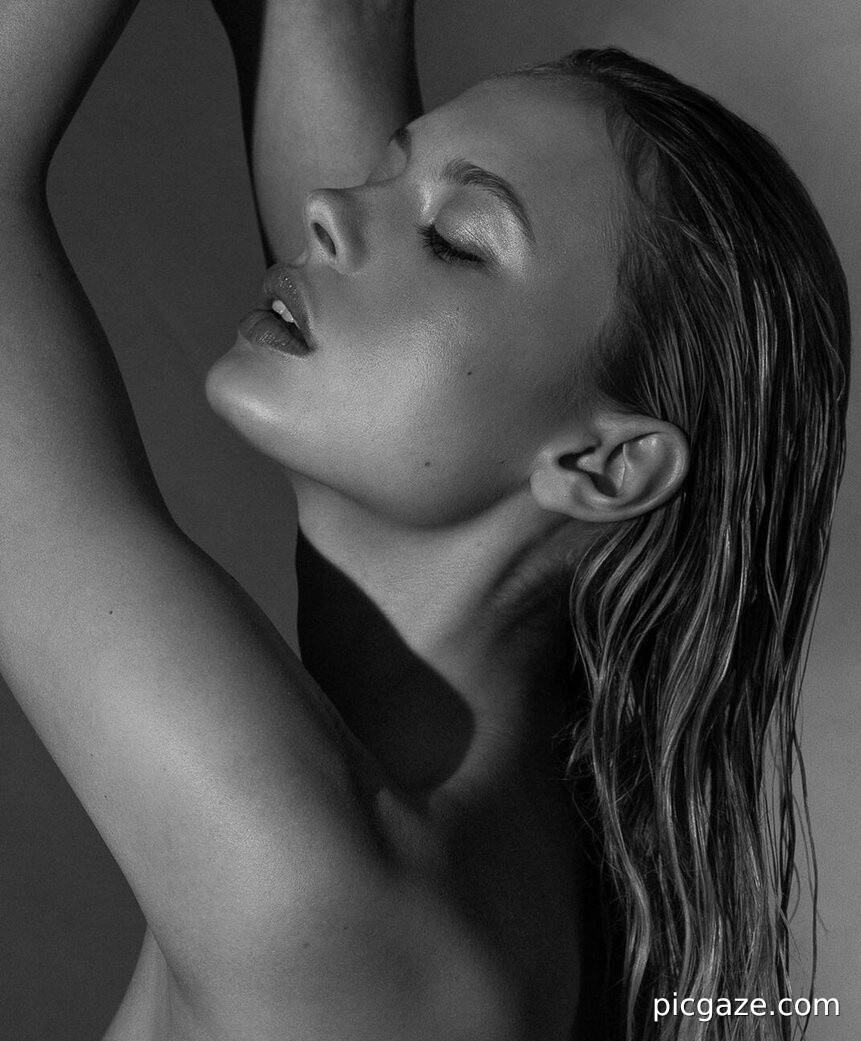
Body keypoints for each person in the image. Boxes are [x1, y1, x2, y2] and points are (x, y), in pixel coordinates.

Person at [0, 0, 850, 1039]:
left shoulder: (314, 882)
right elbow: (331, 18)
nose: (327, 209)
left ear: (602, 463)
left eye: (453, 241)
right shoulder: (517, 852)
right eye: (384, 173)